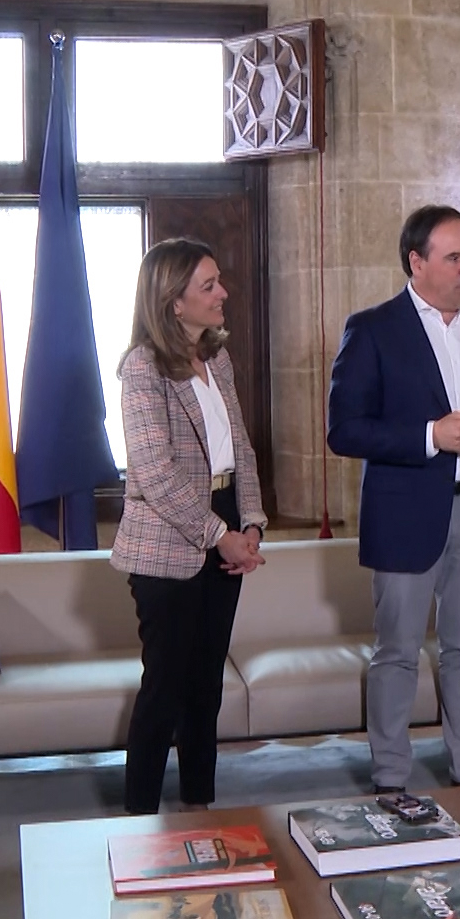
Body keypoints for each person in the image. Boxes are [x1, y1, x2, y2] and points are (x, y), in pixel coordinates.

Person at [327, 205, 460, 792]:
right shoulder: (372, 329)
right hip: (404, 516)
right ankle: (391, 776)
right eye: (455, 258)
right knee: (396, 652)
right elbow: (344, 430)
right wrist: (430, 436)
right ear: (416, 262)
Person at [110, 237, 268, 816]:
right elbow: (155, 473)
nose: (223, 292)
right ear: (174, 301)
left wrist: (251, 525)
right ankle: (140, 815)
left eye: (218, 280)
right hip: (166, 541)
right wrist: (219, 535)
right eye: (209, 284)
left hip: (224, 520)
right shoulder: (142, 369)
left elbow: (240, 450)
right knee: (166, 686)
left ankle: (199, 804)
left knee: (207, 683)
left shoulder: (218, 360)